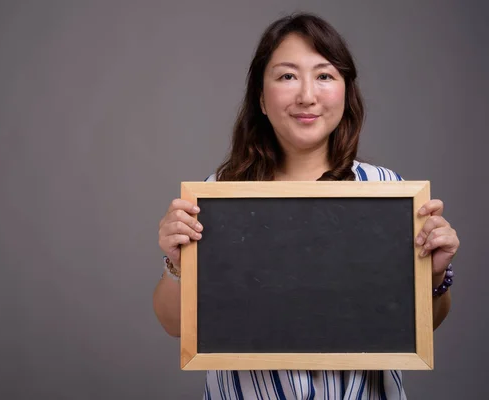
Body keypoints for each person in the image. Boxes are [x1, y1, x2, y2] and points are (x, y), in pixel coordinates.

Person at [153, 11, 459, 399]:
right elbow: (176, 325)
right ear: (261, 98)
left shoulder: (387, 191)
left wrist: (433, 276)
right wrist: (176, 263)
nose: (307, 96)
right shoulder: (221, 195)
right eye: (287, 76)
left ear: (346, 92)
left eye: (325, 75)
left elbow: (417, 327)